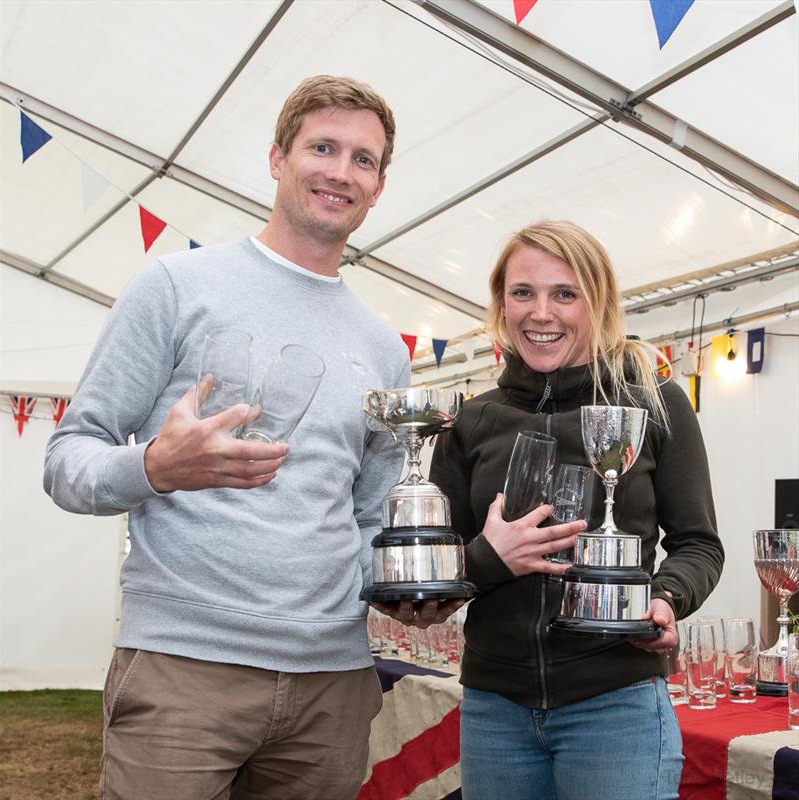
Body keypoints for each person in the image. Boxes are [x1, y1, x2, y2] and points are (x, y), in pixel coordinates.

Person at [44, 75, 412, 800]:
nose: (341, 172)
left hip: (331, 684)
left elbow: (373, 514)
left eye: (362, 160)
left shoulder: (383, 346)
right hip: (184, 669)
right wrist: (155, 466)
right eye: (323, 148)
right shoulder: (176, 286)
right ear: (278, 158)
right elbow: (67, 459)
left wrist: (406, 588)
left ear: (379, 186)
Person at [429, 220, 724, 800]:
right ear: (500, 303)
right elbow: (441, 570)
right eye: (523, 293)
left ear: (600, 301)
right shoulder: (470, 420)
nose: (542, 314)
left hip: (616, 704)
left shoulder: (654, 402)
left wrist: (664, 600)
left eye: (565, 294)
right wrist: (492, 559)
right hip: (495, 708)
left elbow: (698, 543)